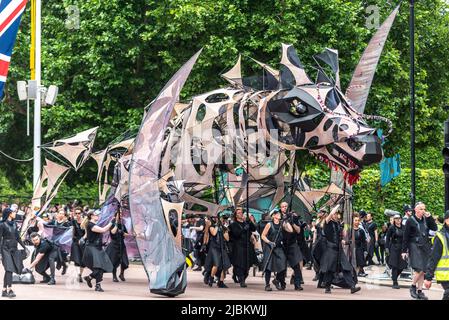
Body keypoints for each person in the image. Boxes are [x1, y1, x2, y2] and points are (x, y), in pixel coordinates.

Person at [320, 205, 361, 294]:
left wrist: (345, 242)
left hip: (339, 249)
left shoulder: (338, 224)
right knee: (330, 269)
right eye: (334, 214)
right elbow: (330, 214)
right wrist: (339, 204)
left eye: (336, 214)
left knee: (346, 267)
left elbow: (340, 237)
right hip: (331, 249)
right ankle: (327, 287)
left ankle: (352, 286)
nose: (335, 215)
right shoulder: (327, 223)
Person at [402, 202, 437, 300]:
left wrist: (430, 217)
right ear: (416, 210)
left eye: (424, 209)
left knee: (423, 270)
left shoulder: (426, 219)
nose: (423, 211)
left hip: (425, 245)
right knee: (419, 268)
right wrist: (404, 251)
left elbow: (435, 228)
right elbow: (405, 236)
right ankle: (413, 286)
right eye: (421, 209)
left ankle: (420, 291)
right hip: (414, 246)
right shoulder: (410, 220)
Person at [81, 210, 114, 292]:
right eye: (96, 214)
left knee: (101, 266)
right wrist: (111, 222)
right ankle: (94, 282)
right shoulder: (90, 224)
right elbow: (103, 230)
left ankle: (92, 280)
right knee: (99, 267)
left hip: (97, 248)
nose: (98, 215)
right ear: (91, 216)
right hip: (92, 248)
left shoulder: (93, 224)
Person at [0, 208, 26, 298]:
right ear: (9, 214)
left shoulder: (14, 224)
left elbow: (18, 237)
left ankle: (4, 290)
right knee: (9, 269)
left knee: (9, 270)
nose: (15, 213)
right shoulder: (2, 224)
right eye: (13, 212)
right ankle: (10, 289)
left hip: (14, 248)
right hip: (5, 249)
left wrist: (24, 247)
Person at [424, 210, 449, 300]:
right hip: (445, 275)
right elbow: (433, 258)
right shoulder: (440, 237)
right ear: (447, 220)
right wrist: (428, 277)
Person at [279, 202, 304, 291]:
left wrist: (292, 222)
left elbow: (298, 230)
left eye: (286, 206)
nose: (285, 208)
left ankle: (297, 284)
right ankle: (282, 283)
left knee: (296, 265)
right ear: (280, 208)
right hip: (282, 244)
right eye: (283, 206)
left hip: (292, 244)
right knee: (282, 266)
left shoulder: (293, 217)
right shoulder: (278, 216)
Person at [229, 207, 256, 287]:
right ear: (236, 215)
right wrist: (244, 229)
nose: (241, 214)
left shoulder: (246, 223)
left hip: (247, 245)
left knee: (247, 264)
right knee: (239, 264)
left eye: (241, 212)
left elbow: (254, 229)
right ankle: (241, 280)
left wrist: (250, 222)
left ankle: (242, 276)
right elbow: (236, 234)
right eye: (239, 213)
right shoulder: (233, 225)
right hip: (238, 246)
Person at [260, 210, 287, 291]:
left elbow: (290, 230)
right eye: (278, 214)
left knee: (283, 264)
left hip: (279, 247)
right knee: (268, 266)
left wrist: (286, 220)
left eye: (280, 214)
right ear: (273, 215)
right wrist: (270, 242)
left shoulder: (282, 224)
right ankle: (267, 285)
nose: (279, 215)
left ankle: (276, 280)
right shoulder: (269, 224)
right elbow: (263, 236)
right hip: (269, 247)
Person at [204, 214, 231, 288]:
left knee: (224, 265)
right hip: (214, 247)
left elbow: (227, 239)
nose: (216, 219)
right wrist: (217, 225)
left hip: (222, 248)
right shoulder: (211, 226)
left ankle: (221, 282)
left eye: (217, 218)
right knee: (216, 264)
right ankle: (211, 277)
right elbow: (214, 233)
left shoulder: (223, 227)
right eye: (214, 218)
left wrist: (225, 229)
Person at [106, 208, 129, 282]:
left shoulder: (122, 225)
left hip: (121, 244)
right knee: (114, 261)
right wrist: (116, 222)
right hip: (114, 245)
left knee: (124, 261)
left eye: (121, 214)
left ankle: (121, 274)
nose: (121, 216)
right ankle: (114, 276)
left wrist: (126, 233)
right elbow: (113, 232)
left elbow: (126, 234)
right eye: (119, 214)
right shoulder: (112, 224)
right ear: (116, 216)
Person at [386, 214, 407, 289]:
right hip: (394, 247)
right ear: (394, 220)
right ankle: (395, 282)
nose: (398, 220)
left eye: (399, 218)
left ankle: (394, 277)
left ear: (401, 219)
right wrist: (387, 248)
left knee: (402, 265)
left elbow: (407, 238)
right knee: (395, 265)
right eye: (396, 219)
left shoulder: (404, 227)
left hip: (402, 248)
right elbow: (387, 238)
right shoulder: (391, 228)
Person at [70, 207, 86, 283]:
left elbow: (87, 233)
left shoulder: (85, 221)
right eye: (76, 213)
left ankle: (80, 275)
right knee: (76, 259)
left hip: (83, 242)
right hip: (75, 242)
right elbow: (72, 231)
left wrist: (82, 239)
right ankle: (78, 274)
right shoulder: (73, 221)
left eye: (79, 213)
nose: (77, 215)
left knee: (83, 261)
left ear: (81, 213)